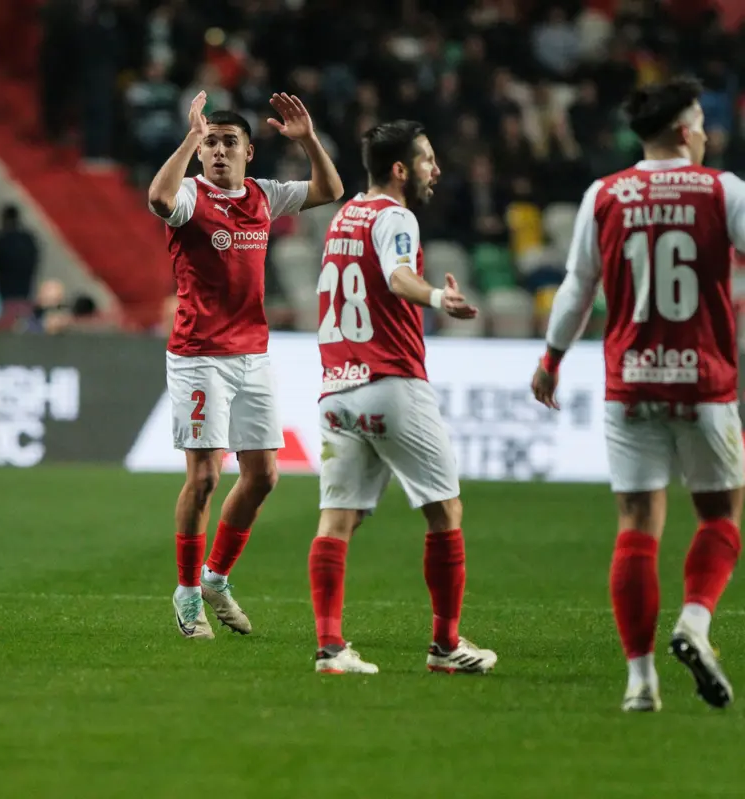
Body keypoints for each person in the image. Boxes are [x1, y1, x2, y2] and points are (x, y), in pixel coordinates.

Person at [532, 77, 745, 712]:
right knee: (720, 515)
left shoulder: (605, 194)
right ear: (684, 131)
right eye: (701, 123)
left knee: (636, 527)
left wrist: (551, 360)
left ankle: (640, 682)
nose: (707, 134)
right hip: (704, 385)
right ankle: (696, 623)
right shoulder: (722, 189)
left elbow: (576, 288)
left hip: (629, 385)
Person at [147, 91, 344, 639]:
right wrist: (188, 137)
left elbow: (330, 189)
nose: (217, 151)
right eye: (210, 143)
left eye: (227, 142)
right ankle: (187, 593)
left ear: (249, 153)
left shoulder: (264, 196)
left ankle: (216, 577)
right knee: (206, 475)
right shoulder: (190, 194)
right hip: (198, 356)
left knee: (263, 475)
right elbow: (159, 198)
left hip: (252, 354)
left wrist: (306, 140)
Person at [309, 120, 498, 676]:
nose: (435, 170)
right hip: (390, 383)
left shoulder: (343, 217)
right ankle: (445, 646)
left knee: (336, 519)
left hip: (336, 393)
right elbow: (397, 278)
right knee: (445, 511)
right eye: (427, 160)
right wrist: (439, 295)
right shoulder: (396, 216)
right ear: (399, 169)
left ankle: (330, 648)